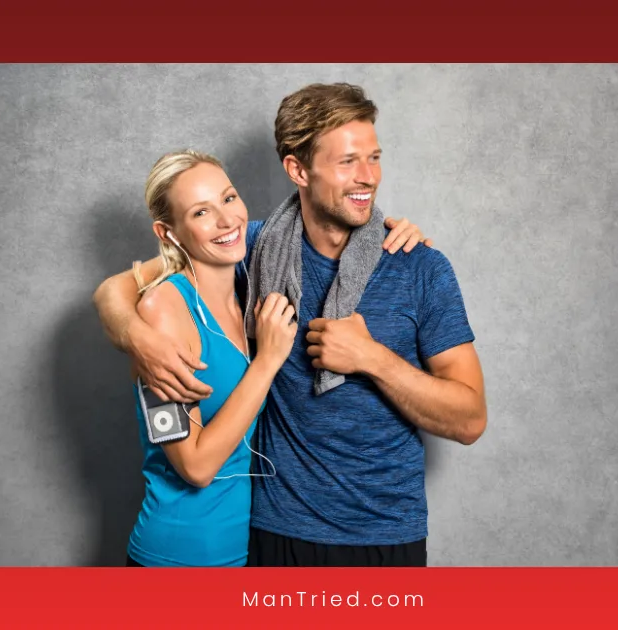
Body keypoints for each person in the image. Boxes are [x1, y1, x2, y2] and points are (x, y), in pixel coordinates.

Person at [96, 83, 486, 567]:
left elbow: (470, 420)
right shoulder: (249, 250)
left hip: (385, 533)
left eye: (374, 157)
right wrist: (138, 338)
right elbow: (118, 289)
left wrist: (372, 359)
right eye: (347, 162)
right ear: (298, 170)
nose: (367, 177)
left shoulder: (418, 266)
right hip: (272, 534)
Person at [116, 150, 431, 567]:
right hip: (177, 556)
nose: (227, 221)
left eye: (229, 199)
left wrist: (383, 230)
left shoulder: (248, 291)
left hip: (242, 552)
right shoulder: (164, 311)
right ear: (169, 232)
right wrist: (268, 360)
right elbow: (195, 466)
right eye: (201, 212)